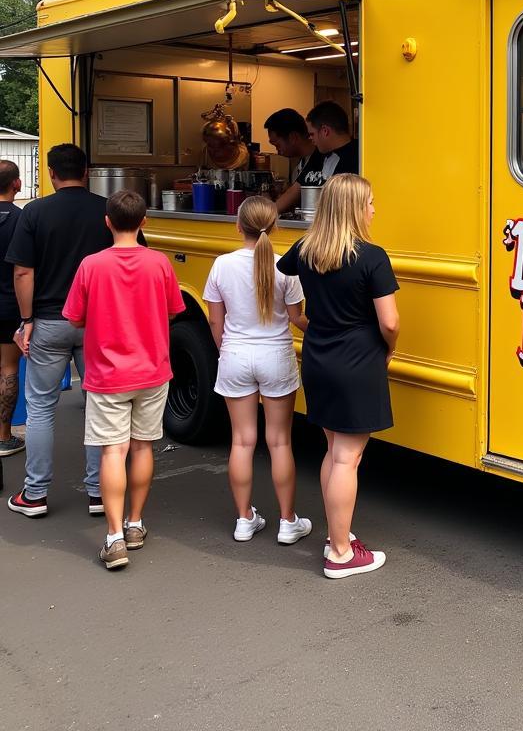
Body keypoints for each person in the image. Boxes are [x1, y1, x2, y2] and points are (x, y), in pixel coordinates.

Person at [277, 174, 398, 579]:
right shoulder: (372, 256)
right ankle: (342, 554)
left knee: (334, 451)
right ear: (354, 208)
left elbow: (280, 265)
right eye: (370, 202)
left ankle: (336, 536)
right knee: (348, 457)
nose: (374, 209)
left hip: (318, 358)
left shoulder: (306, 250)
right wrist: (389, 349)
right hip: (357, 361)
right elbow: (391, 322)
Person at [5, 144, 130, 519]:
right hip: (97, 324)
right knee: (99, 406)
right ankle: (97, 492)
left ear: (51, 173)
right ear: (87, 170)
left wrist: (27, 321)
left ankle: (35, 494)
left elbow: (23, 271)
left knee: (41, 409)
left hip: (48, 321)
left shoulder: (36, 212)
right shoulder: (108, 211)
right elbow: (129, 260)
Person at [62, 190, 185, 569]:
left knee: (112, 451)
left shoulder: (91, 265)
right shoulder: (160, 263)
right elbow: (173, 311)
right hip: (152, 371)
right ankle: (135, 524)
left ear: (107, 222)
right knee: (143, 448)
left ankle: (114, 538)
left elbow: (75, 318)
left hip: (107, 374)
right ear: (144, 222)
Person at [203, 196, 312, 544]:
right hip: (276, 357)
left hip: (236, 356)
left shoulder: (221, 265)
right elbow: (297, 320)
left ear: (238, 226)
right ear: (275, 227)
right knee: (279, 441)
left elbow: (215, 320)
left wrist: (227, 351)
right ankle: (287, 522)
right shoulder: (286, 269)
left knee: (242, 441)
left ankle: (244, 519)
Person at [0, 161, 23, 457]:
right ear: (16, 184)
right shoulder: (23, 218)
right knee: (8, 368)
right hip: (9, 306)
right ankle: (4, 437)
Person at [264, 108, 325, 216]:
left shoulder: (322, 161)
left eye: (277, 145)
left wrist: (264, 212)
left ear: (293, 137)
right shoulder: (299, 166)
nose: (277, 151)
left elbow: (292, 196)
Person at [304, 101, 359, 183]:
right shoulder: (320, 154)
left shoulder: (358, 157)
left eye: (312, 134)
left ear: (325, 131)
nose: (310, 138)